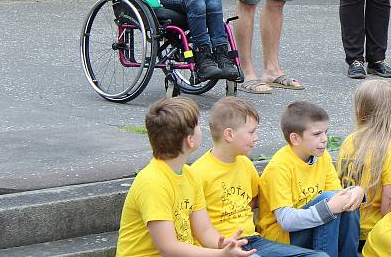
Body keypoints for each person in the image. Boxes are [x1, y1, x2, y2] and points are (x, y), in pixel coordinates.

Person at [115, 98, 254, 256]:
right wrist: (220, 255)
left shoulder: (190, 175)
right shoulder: (152, 183)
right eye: (198, 126)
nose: (202, 129)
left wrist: (223, 244)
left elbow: (204, 231)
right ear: (190, 140)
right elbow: (169, 248)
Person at [191, 97, 326, 256]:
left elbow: (253, 200)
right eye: (251, 132)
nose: (257, 137)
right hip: (221, 247)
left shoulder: (246, 164)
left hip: (253, 241)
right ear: (229, 135)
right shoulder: (198, 173)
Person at [257, 101, 363, 256]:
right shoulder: (279, 167)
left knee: (346, 202)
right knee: (328, 202)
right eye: (316, 134)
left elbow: (337, 195)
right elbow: (286, 221)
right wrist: (327, 209)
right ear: (295, 139)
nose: (324, 139)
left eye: (326, 132)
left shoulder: (322, 157)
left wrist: (356, 191)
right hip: (284, 238)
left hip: (314, 227)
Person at [337, 79, 391, 244]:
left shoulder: (349, 140)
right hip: (372, 233)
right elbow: (388, 207)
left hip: (346, 227)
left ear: (359, 109)